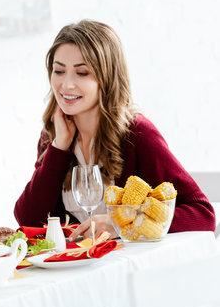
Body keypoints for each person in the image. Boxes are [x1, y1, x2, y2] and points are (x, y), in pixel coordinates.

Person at [14, 20, 216, 239]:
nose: (66, 85)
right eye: (59, 71)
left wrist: (120, 223)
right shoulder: (53, 136)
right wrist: (59, 148)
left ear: (107, 78)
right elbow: (29, 220)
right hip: (79, 268)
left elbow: (203, 213)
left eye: (82, 73)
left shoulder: (138, 134)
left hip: (130, 270)